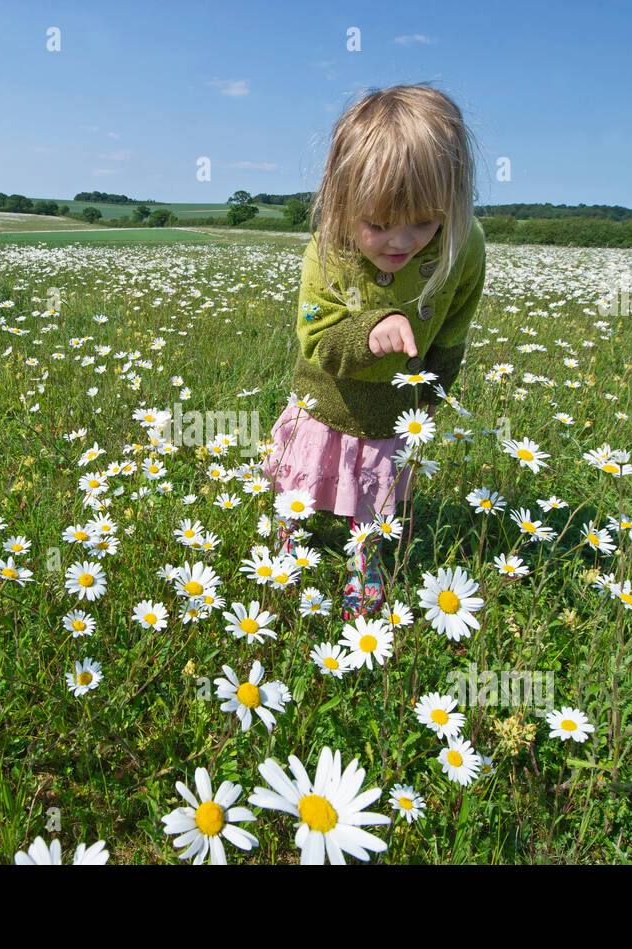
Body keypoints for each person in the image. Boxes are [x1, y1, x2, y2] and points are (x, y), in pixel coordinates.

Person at [260, 83, 487, 620]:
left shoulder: (463, 244)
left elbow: (453, 328)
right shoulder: (330, 247)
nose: (399, 242)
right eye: (378, 223)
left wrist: (435, 391)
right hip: (328, 393)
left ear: (452, 206)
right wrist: (369, 330)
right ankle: (288, 533)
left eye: (424, 221)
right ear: (340, 203)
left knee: (376, 490)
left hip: (395, 405)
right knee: (306, 471)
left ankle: (366, 557)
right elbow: (316, 339)